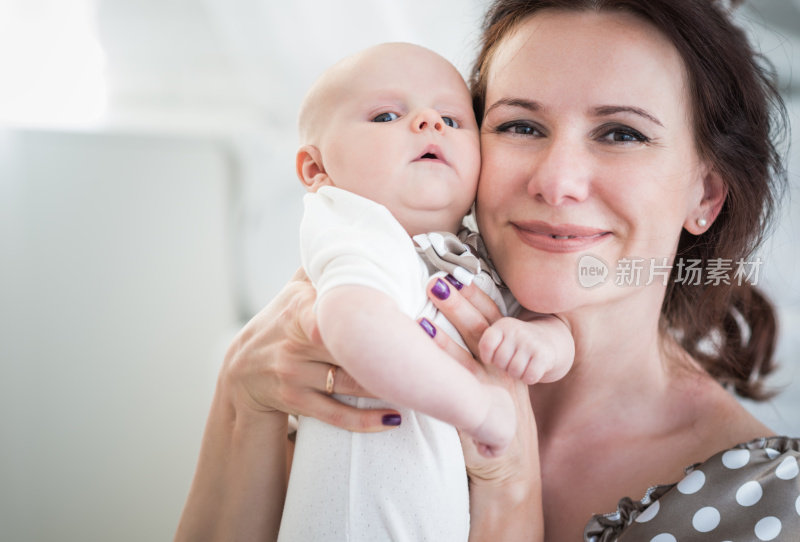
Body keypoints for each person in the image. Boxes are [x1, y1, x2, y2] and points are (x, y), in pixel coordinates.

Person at [175, 1, 798, 541]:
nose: (555, 182)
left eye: (621, 134)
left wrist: (508, 485)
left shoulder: (768, 505)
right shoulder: (348, 354)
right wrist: (242, 396)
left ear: (706, 197)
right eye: (519, 126)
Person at [280, 42, 573, 541]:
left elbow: (555, 331)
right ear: (316, 170)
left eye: (452, 120)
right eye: (387, 115)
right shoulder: (356, 227)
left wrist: (543, 342)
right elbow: (355, 321)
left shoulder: (476, 252)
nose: (428, 123)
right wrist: (476, 408)